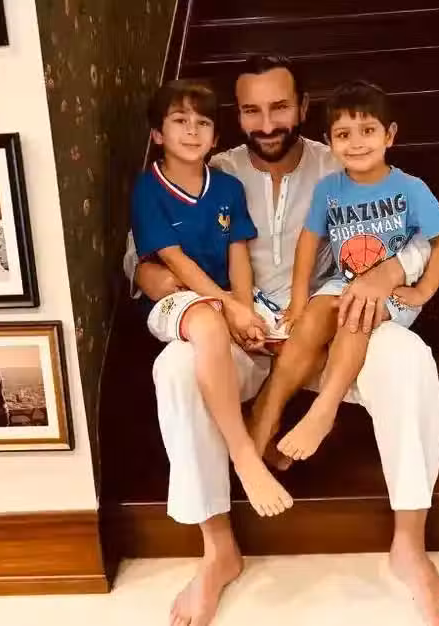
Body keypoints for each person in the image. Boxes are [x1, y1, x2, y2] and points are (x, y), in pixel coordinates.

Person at [125, 56, 439, 626]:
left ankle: (409, 545)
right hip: (243, 332)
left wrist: (389, 272)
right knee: (176, 368)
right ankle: (218, 549)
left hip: (332, 328)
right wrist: (156, 278)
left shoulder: (342, 157)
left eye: (280, 107)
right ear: (236, 116)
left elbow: (415, 232)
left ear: (303, 108)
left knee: (409, 358)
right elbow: (142, 254)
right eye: (252, 111)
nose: (267, 124)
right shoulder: (213, 170)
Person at [257, 81, 439, 465]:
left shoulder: (410, 188)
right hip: (342, 279)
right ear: (329, 142)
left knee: (356, 314)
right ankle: (267, 419)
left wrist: (424, 292)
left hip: (388, 293)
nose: (357, 143)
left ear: (389, 135)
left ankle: (324, 409)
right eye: (343, 134)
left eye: (368, 130)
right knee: (313, 318)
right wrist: (299, 301)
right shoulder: (329, 189)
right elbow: (308, 241)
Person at [131, 79, 294, 518]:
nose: (192, 130)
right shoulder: (148, 189)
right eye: (179, 121)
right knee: (205, 322)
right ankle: (243, 454)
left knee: (286, 338)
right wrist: (227, 306)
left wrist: (243, 309)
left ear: (216, 137)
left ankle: (275, 429)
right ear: (157, 134)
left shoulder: (227, 187)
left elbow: (239, 254)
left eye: (202, 123)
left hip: (228, 298)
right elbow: (173, 259)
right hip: (177, 301)